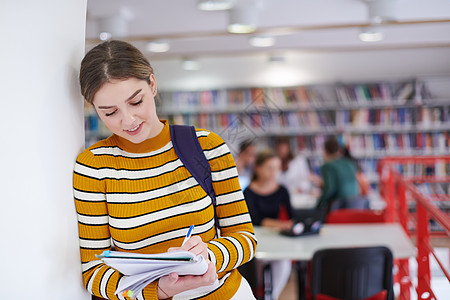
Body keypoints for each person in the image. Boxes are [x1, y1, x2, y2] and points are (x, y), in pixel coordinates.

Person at [74, 40, 257, 300]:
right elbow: (93, 271)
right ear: (94, 109)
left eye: (136, 102)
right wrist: (157, 290)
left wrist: (210, 255)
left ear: (152, 84)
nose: (128, 121)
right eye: (110, 112)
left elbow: (245, 238)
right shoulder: (93, 167)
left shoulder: (208, 147)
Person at [244, 150, 294, 300]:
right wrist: (280, 225)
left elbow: (293, 218)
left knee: (283, 261)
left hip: (278, 240)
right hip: (257, 240)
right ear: (258, 168)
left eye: (277, 168)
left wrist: (284, 225)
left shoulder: (282, 190)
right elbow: (255, 219)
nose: (274, 172)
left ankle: (272, 296)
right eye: (269, 168)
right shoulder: (248, 192)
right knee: (254, 266)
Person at [315, 136, 368, 212]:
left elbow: (330, 189)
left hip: (340, 207)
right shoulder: (349, 163)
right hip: (356, 205)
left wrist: (318, 204)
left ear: (325, 151)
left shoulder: (327, 166)